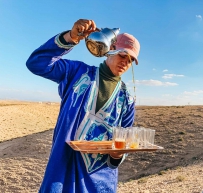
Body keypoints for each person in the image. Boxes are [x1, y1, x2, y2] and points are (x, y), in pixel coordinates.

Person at [26, 19, 140, 193]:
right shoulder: (76, 73)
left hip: (100, 180)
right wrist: (71, 37)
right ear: (110, 50)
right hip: (63, 171)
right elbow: (37, 63)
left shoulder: (127, 99)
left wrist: (117, 155)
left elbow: (124, 139)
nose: (126, 62)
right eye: (123, 55)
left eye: (131, 60)